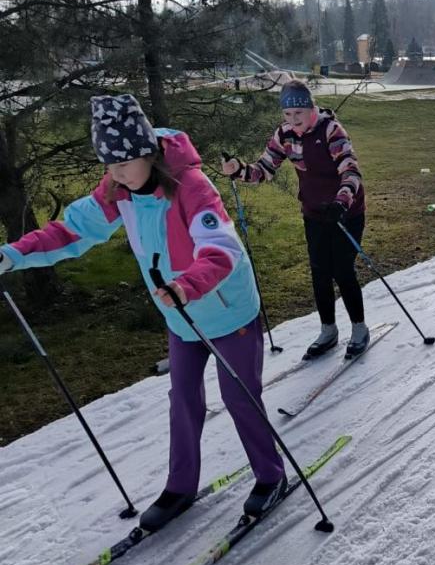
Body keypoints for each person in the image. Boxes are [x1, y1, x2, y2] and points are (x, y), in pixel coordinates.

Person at [0, 94, 286, 532]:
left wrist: (185, 285)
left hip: (228, 310)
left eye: (124, 162)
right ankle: (179, 486)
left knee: (239, 397)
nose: (115, 172)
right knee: (183, 400)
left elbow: (221, 249)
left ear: (149, 153)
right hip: (180, 317)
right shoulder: (118, 189)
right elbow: (71, 230)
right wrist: (14, 255)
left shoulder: (192, 186)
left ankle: (271, 476)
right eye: (109, 163)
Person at [222, 79, 368, 360]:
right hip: (314, 213)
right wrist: (238, 169)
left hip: (345, 211)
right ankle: (328, 330)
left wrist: (341, 201)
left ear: (311, 108)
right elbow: (264, 169)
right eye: (287, 115)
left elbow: (351, 171)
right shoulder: (284, 135)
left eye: (298, 113)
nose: (293, 120)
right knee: (319, 271)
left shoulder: (331, 130)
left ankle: (359, 329)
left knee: (343, 269)